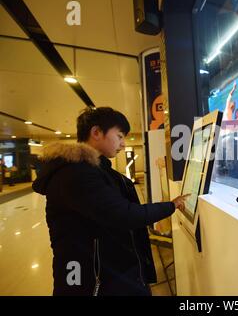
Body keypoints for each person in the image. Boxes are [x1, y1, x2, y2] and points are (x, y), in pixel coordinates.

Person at [32, 107, 189, 296]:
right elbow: (125, 214)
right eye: (120, 136)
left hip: (107, 272)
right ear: (96, 132)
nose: (123, 144)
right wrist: (171, 205)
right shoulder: (76, 174)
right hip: (93, 279)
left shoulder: (93, 170)